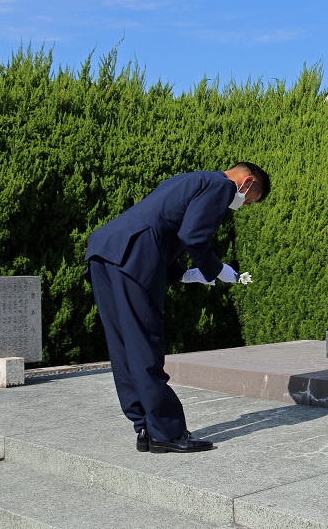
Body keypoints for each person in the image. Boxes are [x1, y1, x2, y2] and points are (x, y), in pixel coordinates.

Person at [84, 162, 270, 453]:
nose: (243, 204)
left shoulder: (189, 179)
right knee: (145, 342)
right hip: (134, 257)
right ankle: (166, 432)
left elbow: (161, 223)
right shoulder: (221, 185)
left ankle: (145, 426)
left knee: (123, 345)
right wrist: (214, 269)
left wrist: (184, 273)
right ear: (246, 183)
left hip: (106, 251)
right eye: (249, 199)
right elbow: (193, 235)